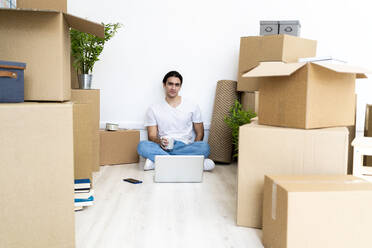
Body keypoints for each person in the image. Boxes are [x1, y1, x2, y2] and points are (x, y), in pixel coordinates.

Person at [137, 71, 215, 171]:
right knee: (142, 146)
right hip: (164, 147)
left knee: (204, 147)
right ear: (164, 85)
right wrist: (159, 141)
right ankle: (194, 163)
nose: (173, 88)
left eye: (177, 85)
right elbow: (151, 136)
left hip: (185, 147)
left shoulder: (192, 106)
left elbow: (200, 133)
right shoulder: (153, 109)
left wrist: (194, 146)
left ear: (180, 87)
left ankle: (159, 162)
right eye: (170, 84)